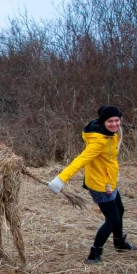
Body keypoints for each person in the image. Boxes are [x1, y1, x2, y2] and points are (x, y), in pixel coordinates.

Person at [48, 105, 136, 264]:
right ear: (103, 122)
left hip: (109, 180)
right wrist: (60, 179)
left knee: (120, 210)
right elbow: (80, 161)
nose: (115, 124)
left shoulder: (109, 133)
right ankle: (94, 253)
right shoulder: (98, 142)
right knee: (112, 219)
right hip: (100, 185)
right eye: (110, 121)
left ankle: (119, 243)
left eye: (117, 120)